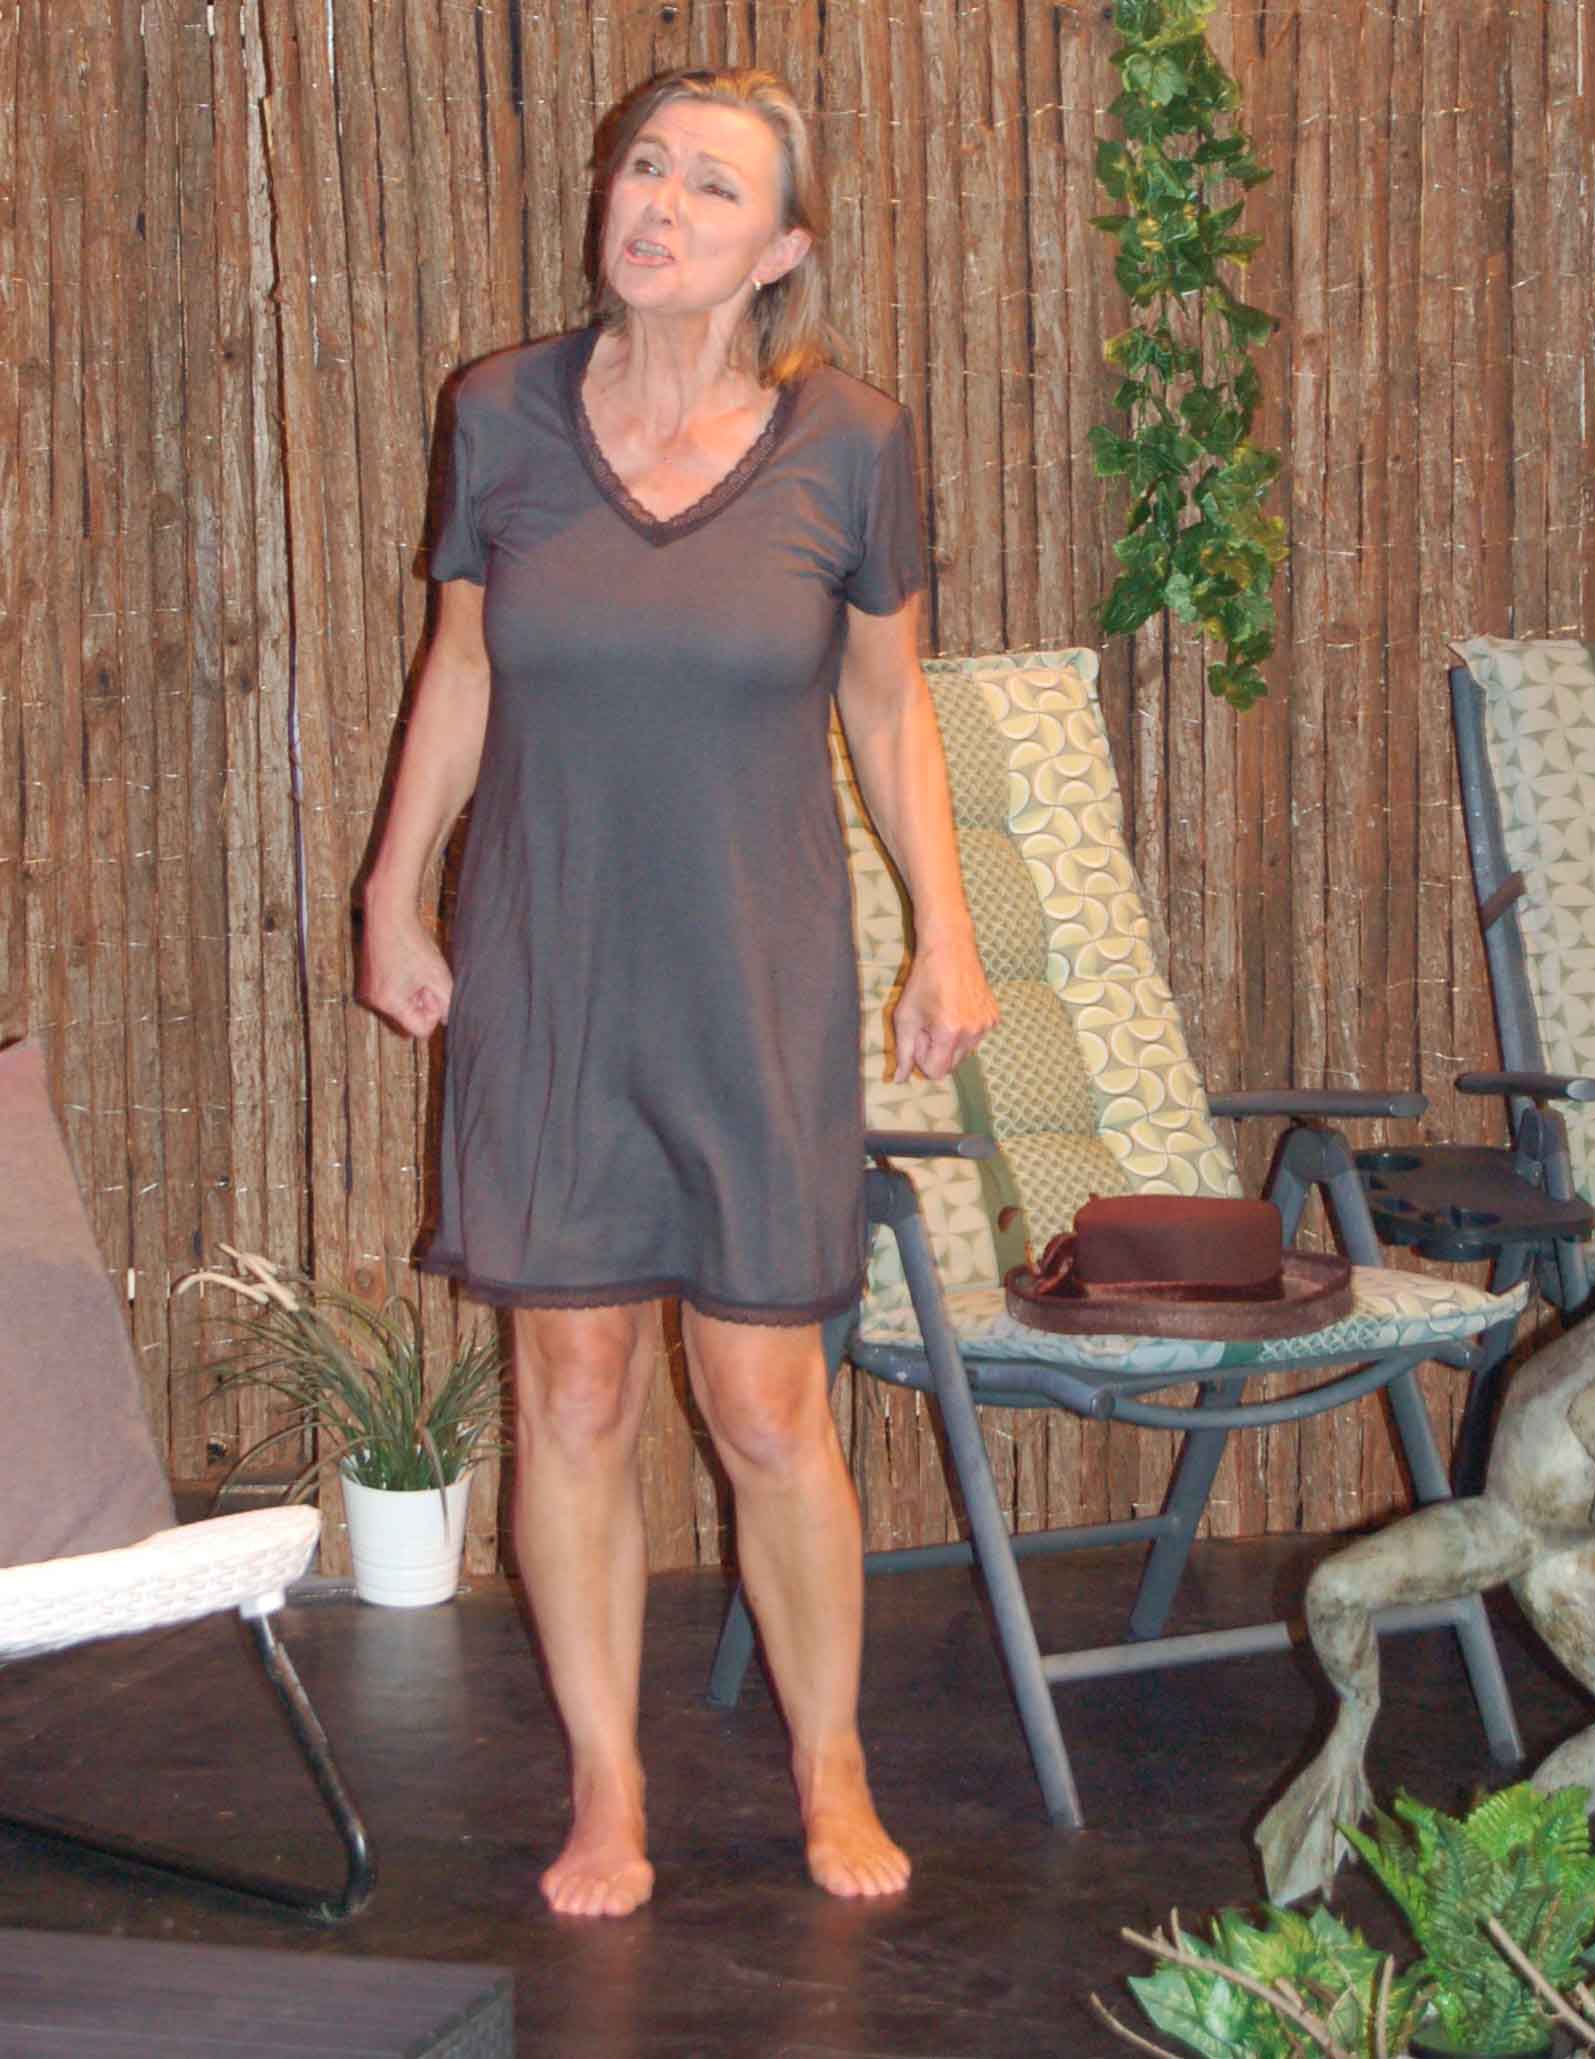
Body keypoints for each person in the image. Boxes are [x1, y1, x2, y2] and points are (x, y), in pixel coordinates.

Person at [358, 67, 997, 1920]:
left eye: (712, 187)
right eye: (646, 166)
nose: (658, 203)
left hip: (750, 975)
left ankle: (830, 1761)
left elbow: (887, 701)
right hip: (548, 965)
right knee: (570, 1388)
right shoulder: (500, 415)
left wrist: (945, 932)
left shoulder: (849, 443)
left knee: (769, 1402)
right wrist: (394, 890)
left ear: (779, 249)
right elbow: (460, 667)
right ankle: (607, 1785)